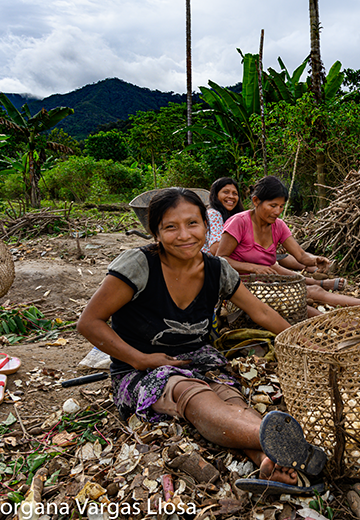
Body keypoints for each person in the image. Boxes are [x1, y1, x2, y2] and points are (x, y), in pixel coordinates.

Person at [77, 188, 325, 490]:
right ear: (156, 233)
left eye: (193, 224)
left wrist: (298, 342)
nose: (184, 235)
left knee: (230, 397)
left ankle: (265, 457)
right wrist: (141, 359)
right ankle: (281, 441)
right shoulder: (139, 265)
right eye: (171, 227)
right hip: (140, 369)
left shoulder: (216, 269)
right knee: (188, 391)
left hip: (199, 357)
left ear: (207, 228)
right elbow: (89, 323)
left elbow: (259, 311)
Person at [216, 176, 360, 316]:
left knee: (314, 292)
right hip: (238, 289)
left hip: (267, 285)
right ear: (256, 201)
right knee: (303, 305)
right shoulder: (238, 223)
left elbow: (300, 256)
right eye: (273, 205)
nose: (278, 212)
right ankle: (357, 316)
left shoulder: (278, 226)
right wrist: (254, 268)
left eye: (281, 206)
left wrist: (315, 260)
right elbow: (221, 259)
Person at [204, 177, 244, 255]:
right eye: (226, 192)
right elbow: (216, 249)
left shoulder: (233, 216)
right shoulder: (214, 214)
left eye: (235, 193)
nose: (231, 196)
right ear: (215, 195)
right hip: (210, 263)